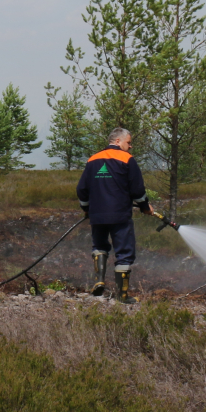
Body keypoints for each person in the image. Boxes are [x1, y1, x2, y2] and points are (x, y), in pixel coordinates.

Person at [76, 127, 156, 303]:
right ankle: (123, 295)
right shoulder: (127, 159)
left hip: (97, 215)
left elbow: (82, 189)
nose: (131, 146)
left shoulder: (93, 160)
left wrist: (87, 209)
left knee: (99, 246)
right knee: (124, 253)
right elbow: (137, 189)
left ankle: (99, 281)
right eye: (129, 142)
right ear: (118, 141)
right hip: (120, 215)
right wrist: (144, 206)